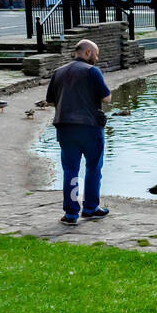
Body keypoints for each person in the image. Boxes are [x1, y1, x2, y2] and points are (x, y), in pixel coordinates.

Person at [44, 39, 111, 225]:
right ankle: (90, 209)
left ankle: (71, 214)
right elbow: (106, 98)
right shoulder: (92, 71)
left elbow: (50, 100)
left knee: (70, 171)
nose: (96, 59)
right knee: (93, 168)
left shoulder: (58, 72)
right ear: (88, 52)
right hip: (89, 127)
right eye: (96, 55)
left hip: (64, 127)